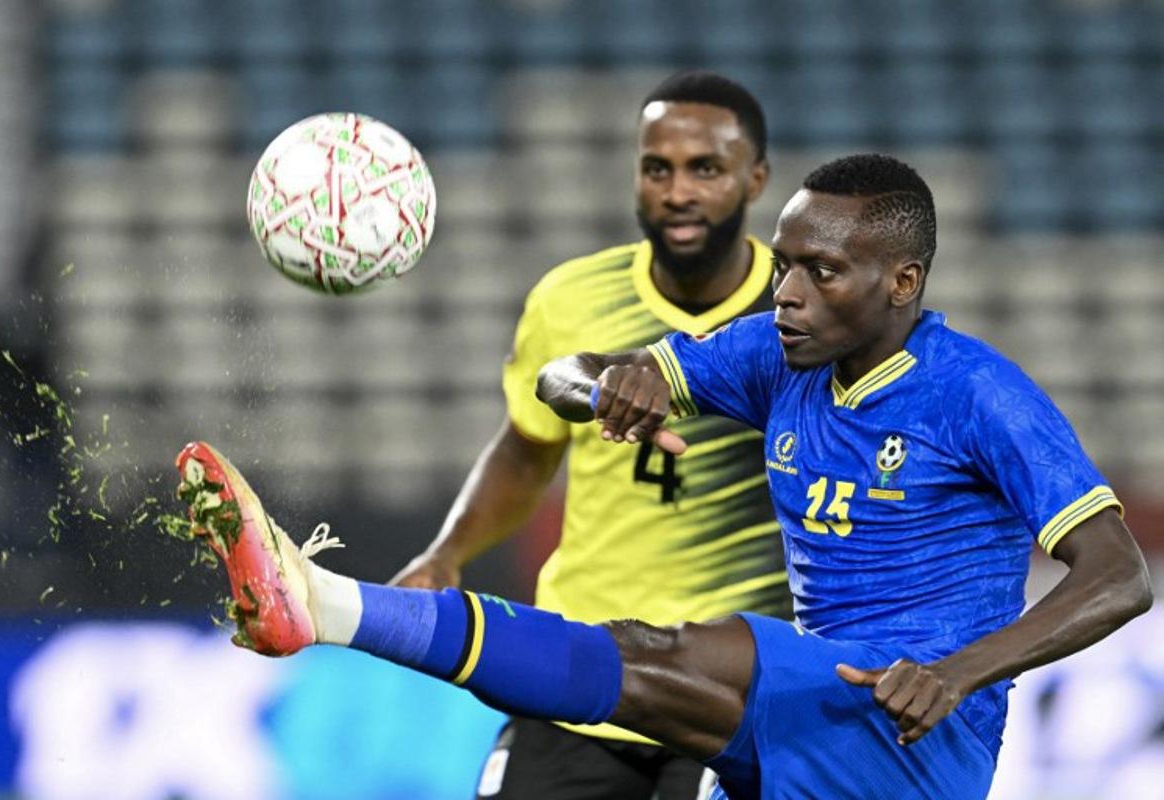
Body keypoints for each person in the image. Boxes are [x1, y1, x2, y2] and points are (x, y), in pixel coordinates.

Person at [176, 154, 1152, 799]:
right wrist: (608, 385)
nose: (789, 292)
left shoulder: (981, 395)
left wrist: (956, 669)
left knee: (666, 649)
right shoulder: (780, 353)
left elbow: (1120, 574)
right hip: (812, 712)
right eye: (786, 266)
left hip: (913, 737)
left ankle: (324, 602)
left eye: (821, 272)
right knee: (648, 656)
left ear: (901, 283)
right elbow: (570, 376)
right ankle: (323, 606)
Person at [388, 70, 789, 798]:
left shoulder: (803, 317)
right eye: (656, 168)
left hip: (737, 697)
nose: (677, 191)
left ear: (756, 178)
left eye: (706, 168)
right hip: (580, 672)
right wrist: (446, 556)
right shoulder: (572, 299)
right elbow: (526, 449)